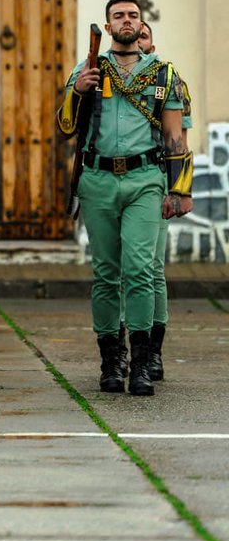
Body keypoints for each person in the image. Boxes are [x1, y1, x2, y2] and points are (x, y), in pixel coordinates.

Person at [57, 0, 190, 396]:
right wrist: (78, 90)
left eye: (133, 15)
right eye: (119, 16)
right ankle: (111, 360)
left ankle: (144, 360)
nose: (127, 20)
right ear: (108, 25)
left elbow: (174, 135)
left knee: (139, 269)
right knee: (106, 274)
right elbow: (65, 126)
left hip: (145, 179)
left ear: (140, 24)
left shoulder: (164, 74)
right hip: (97, 180)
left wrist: (180, 189)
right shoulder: (89, 69)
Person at [116, 22, 194, 381]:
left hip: (155, 184)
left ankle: (152, 352)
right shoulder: (113, 76)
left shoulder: (169, 80)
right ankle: (117, 348)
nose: (139, 42)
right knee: (116, 271)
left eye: (145, 36)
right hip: (117, 183)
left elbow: (179, 139)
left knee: (149, 271)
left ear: (152, 42)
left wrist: (176, 189)